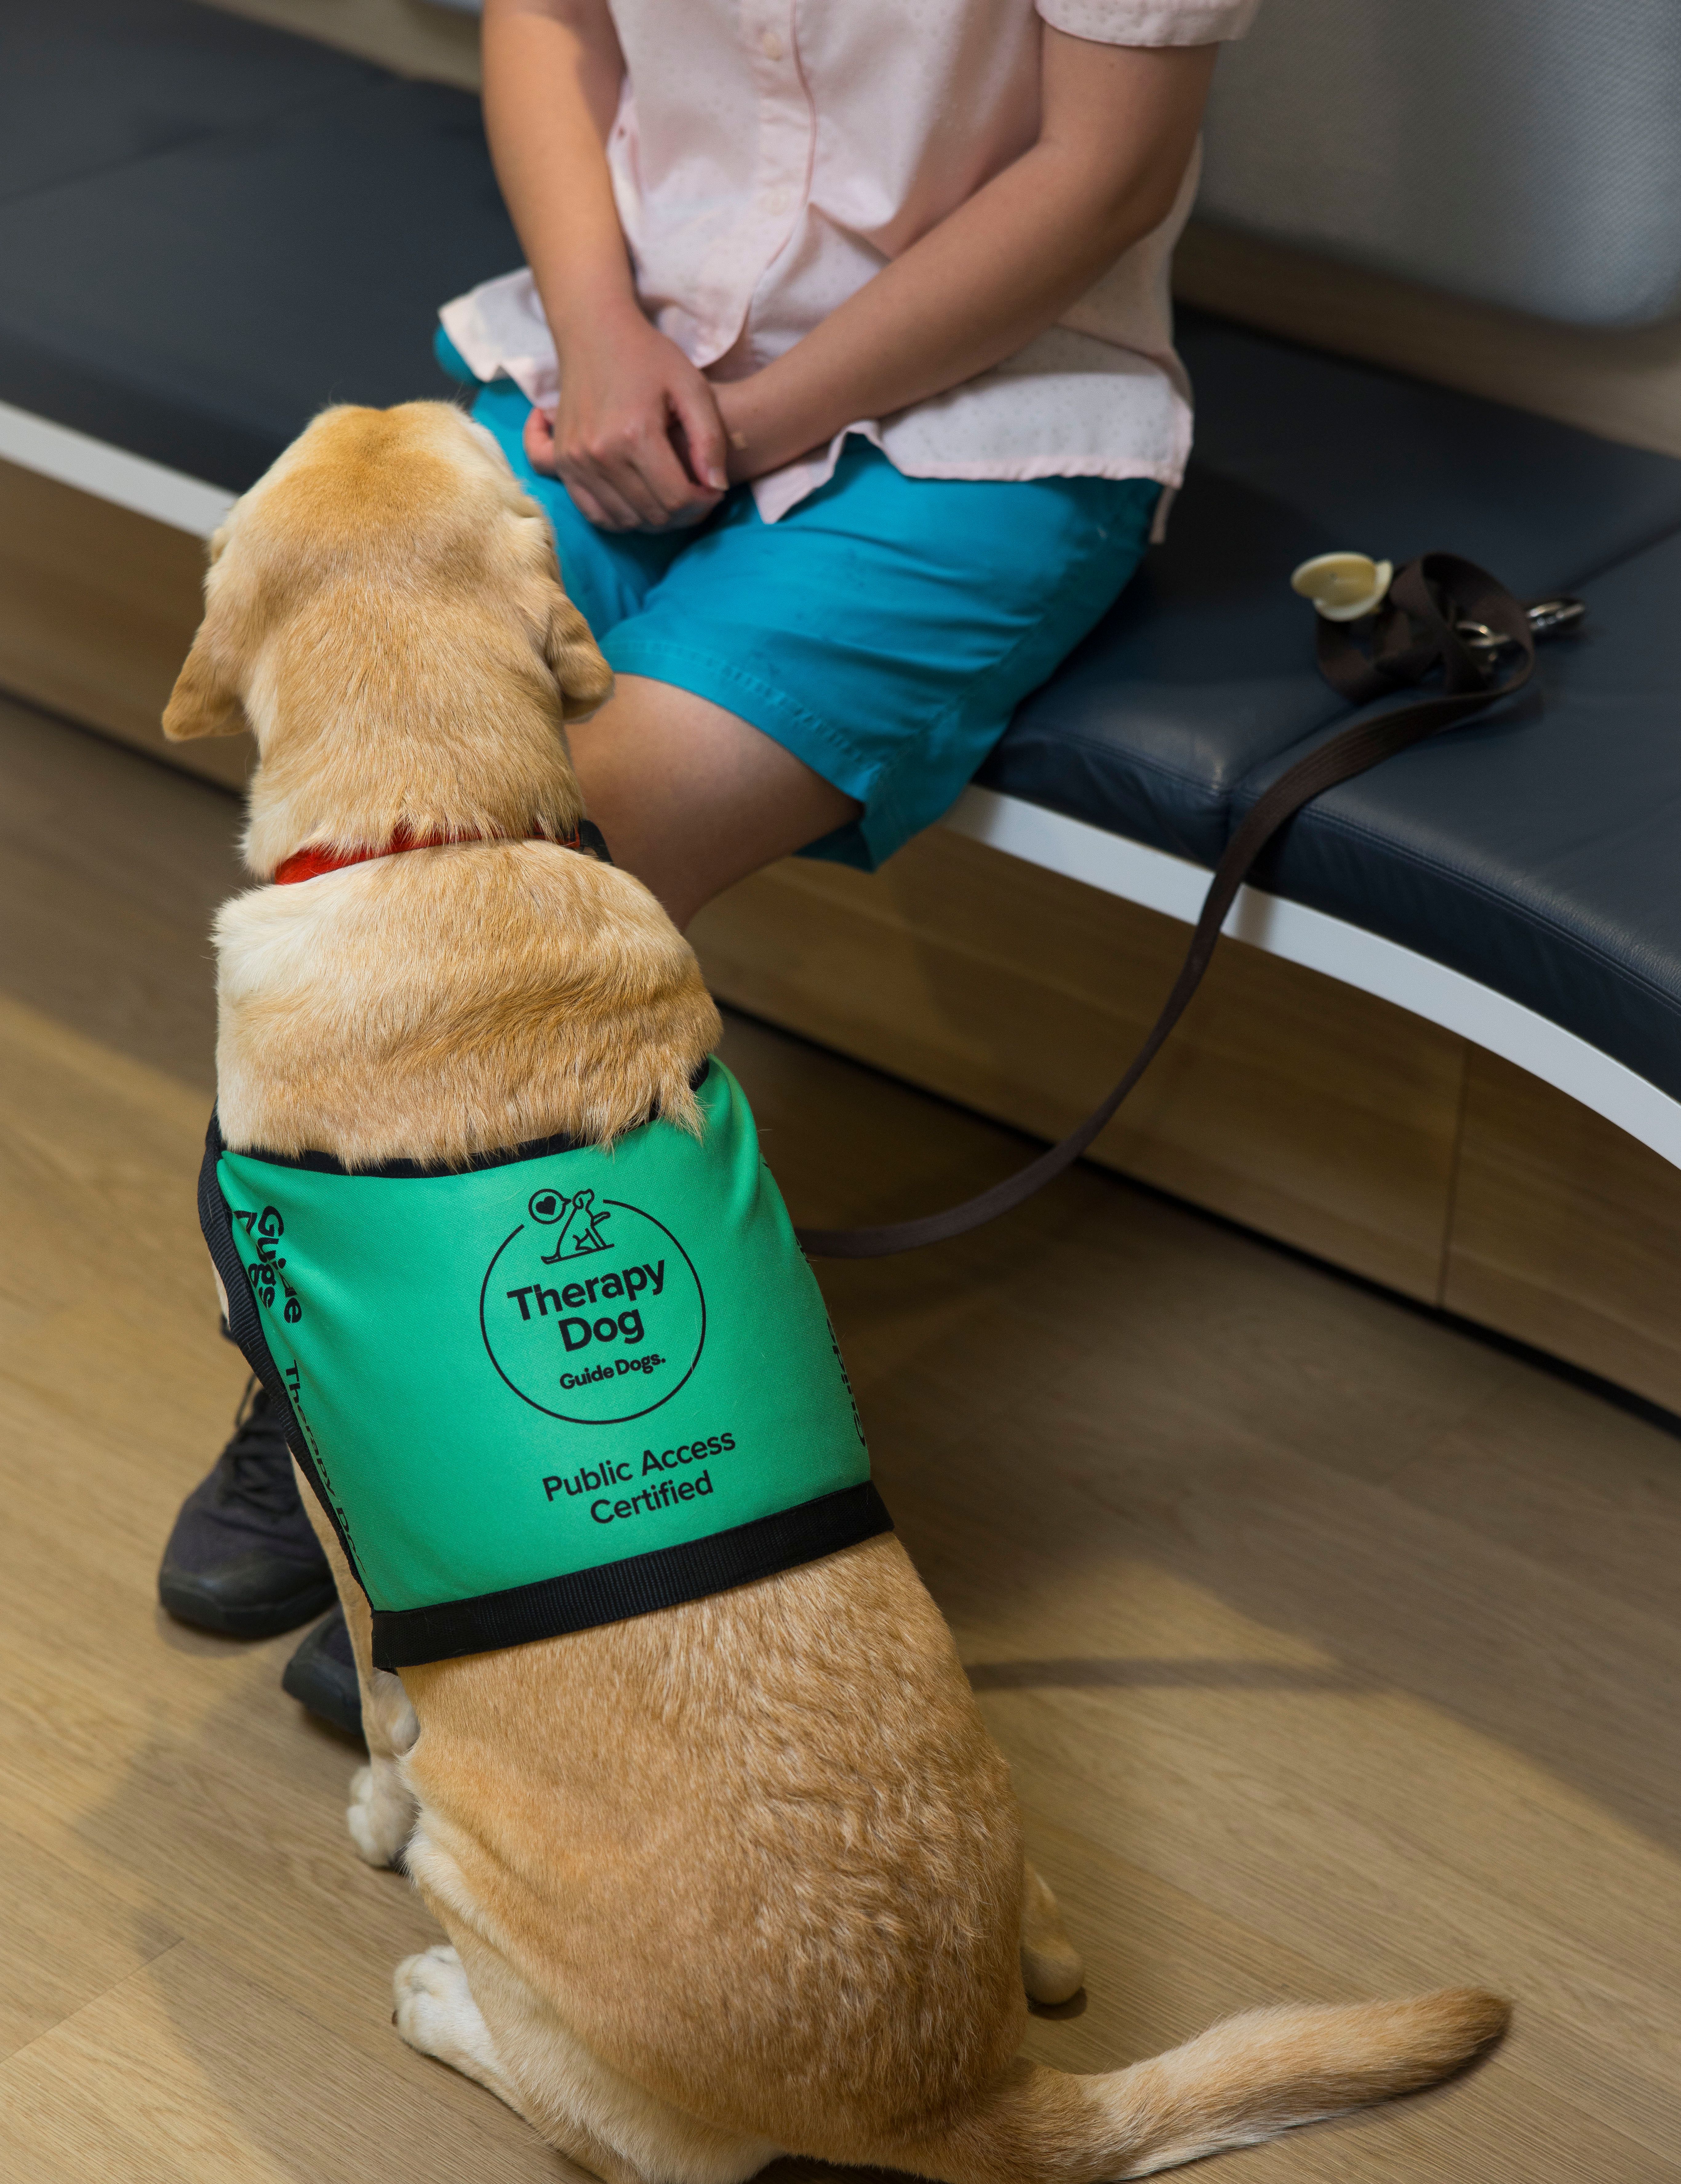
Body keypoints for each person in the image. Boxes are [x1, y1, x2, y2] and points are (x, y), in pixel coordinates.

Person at [158, 0, 1260, 1731]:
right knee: (354, 832)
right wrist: (601, 345)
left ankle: (509, 1500)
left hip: (975, 427)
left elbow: (1101, 167)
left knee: (515, 884)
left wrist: (752, 429)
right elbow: (547, 16)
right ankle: (321, 1400)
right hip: (612, 374)